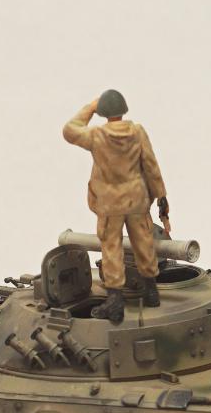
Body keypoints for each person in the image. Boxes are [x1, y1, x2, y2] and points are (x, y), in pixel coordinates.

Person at [62, 89, 170, 323]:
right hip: (136, 198)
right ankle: (151, 290)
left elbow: (69, 130)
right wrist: (161, 196)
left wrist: (90, 108)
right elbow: (151, 165)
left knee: (111, 248)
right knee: (144, 242)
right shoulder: (138, 132)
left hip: (109, 202)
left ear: (103, 112)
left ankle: (115, 300)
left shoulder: (96, 135)